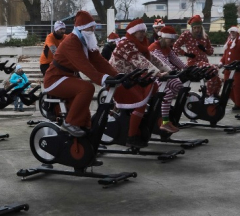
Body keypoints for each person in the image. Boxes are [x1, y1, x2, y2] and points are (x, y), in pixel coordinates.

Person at [43, 10, 117, 138]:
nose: (92, 30)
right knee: (87, 88)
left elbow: (99, 61)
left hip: (68, 77)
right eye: (90, 27)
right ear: (82, 28)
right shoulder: (71, 42)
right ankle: (70, 123)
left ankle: (87, 141)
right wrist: (103, 78)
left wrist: (116, 76)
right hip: (55, 79)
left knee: (84, 114)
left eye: (93, 27)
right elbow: (84, 65)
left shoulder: (85, 39)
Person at [110, 18, 169, 146]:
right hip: (119, 80)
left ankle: (148, 124)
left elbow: (152, 58)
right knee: (140, 102)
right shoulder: (126, 44)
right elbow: (139, 61)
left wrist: (168, 70)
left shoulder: (139, 44)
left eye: (144, 31)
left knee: (153, 89)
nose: (142, 34)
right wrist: (157, 73)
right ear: (133, 32)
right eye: (139, 31)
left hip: (131, 78)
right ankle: (131, 136)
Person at [172, 14, 222, 102]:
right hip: (193, 63)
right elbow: (175, 46)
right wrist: (186, 54)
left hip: (204, 62)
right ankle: (208, 95)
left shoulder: (205, 36)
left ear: (201, 27)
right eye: (195, 28)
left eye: (198, 28)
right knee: (213, 69)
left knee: (217, 78)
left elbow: (211, 52)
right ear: (192, 28)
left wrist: (205, 49)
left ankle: (215, 95)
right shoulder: (186, 34)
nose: (197, 30)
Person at [148, 26, 186, 133]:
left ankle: (165, 108)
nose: (173, 42)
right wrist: (172, 70)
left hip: (164, 75)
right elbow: (162, 62)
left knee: (178, 85)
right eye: (171, 40)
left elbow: (175, 59)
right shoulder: (154, 48)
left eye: (174, 40)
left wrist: (187, 68)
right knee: (167, 93)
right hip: (153, 76)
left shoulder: (167, 48)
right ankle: (164, 122)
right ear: (164, 38)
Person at [219, 26, 240, 111]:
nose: (232, 34)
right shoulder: (228, 43)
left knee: (238, 88)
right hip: (228, 70)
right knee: (227, 88)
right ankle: (238, 103)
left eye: (233, 32)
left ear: (237, 33)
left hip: (238, 70)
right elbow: (225, 55)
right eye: (231, 32)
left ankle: (239, 104)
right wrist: (221, 62)